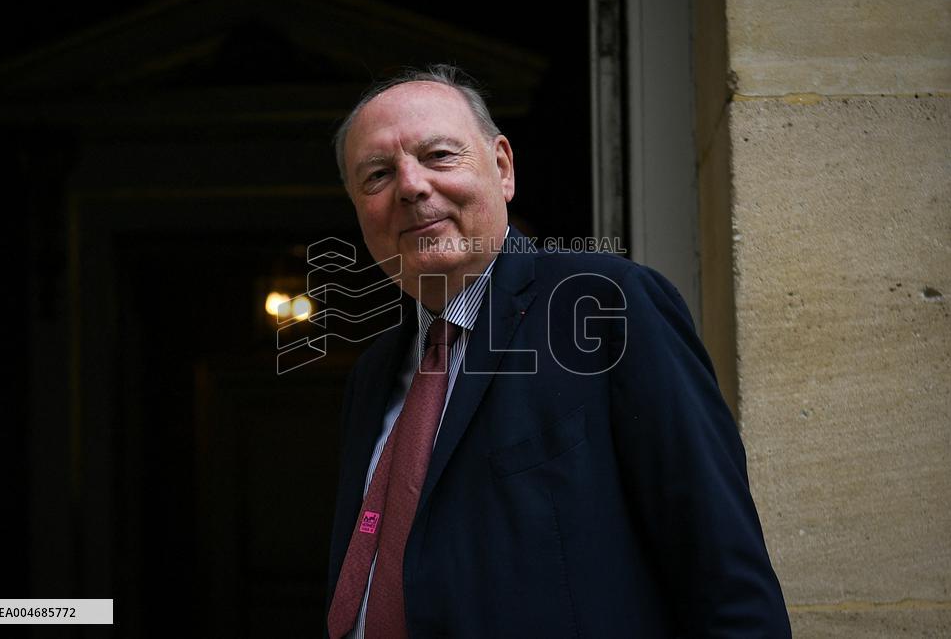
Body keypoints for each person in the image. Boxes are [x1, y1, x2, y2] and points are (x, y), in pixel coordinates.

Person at [324, 65, 791, 638]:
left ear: (501, 168)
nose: (411, 186)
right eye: (376, 175)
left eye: (440, 156)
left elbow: (724, 575)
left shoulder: (606, 307)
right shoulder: (373, 373)